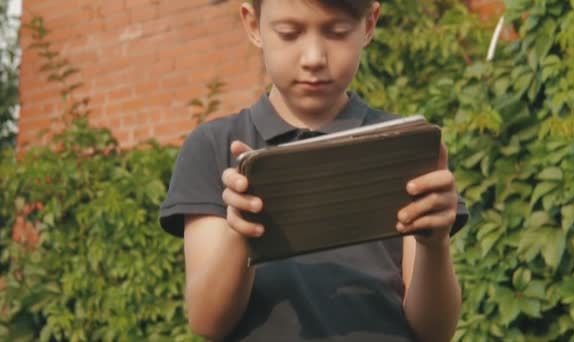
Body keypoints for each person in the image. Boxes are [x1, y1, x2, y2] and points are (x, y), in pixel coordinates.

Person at [160, 1, 469, 341]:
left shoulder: (401, 145)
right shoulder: (215, 148)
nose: (314, 58)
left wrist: (434, 245)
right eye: (289, 33)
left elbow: (435, 332)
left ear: (368, 25)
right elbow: (207, 321)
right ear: (253, 24)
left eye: (336, 32)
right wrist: (240, 233)